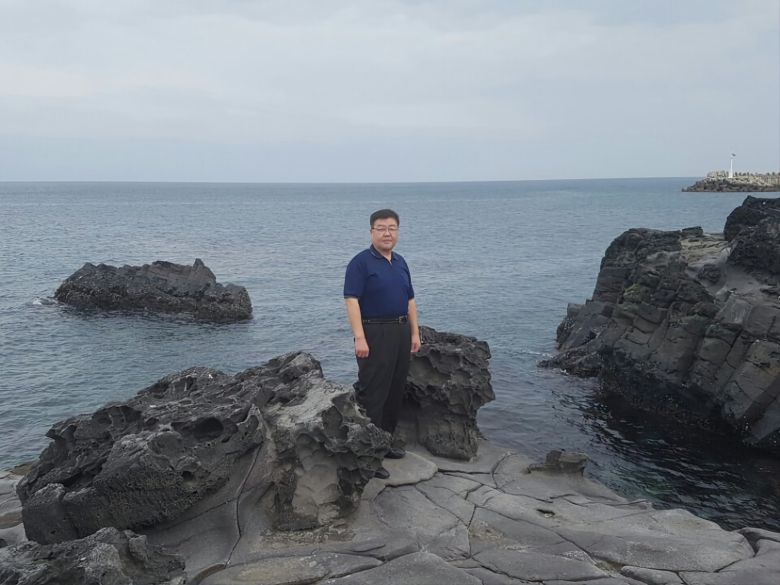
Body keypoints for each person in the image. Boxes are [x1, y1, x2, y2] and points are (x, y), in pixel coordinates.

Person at [344, 209, 421, 479]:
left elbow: (410, 300)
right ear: (371, 232)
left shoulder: (400, 262)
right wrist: (360, 337)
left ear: (397, 231)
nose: (387, 233)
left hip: (401, 330)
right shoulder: (360, 263)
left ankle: (384, 443)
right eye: (381, 228)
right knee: (374, 393)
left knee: (395, 391)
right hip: (374, 332)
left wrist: (415, 333)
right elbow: (352, 300)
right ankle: (368, 457)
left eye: (392, 228)